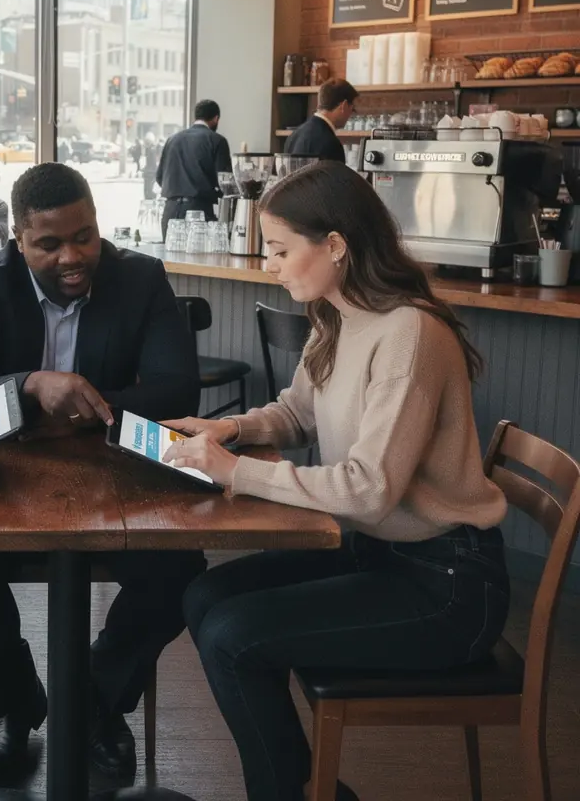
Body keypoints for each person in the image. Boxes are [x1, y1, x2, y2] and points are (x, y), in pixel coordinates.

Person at [160, 162, 509, 801]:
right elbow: (297, 412)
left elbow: (370, 487)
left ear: (336, 246)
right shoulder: (339, 314)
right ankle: (301, 788)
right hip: (379, 550)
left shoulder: (408, 334)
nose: (271, 264)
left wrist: (237, 475)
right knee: (204, 599)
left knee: (233, 636)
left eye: (281, 250)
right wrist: (224, 432)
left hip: (447, 586)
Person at [0, 163, 206, 786]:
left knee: (178, 571)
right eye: (49, 244)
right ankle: (16, 707)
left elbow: (177, 386)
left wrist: (79, 410)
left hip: (119, 482)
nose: (73, 256)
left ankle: (95, 702)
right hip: (5, 486)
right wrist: (30, 387)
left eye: (85, 236)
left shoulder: (140, 277)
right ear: (18, 241)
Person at [156, 99, 232, 236]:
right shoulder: (217, 140)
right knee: (198, 256)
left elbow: (159, 177)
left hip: (170, 212)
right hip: (198, 212)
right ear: (216, 118)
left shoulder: (172, 139)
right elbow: (225, 182)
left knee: (170, 256)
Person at [284, 77, 358, 163]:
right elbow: (335, 176)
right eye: (352, 109)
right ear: (344, 106)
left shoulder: (293, 136)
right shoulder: (331, 144)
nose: (350, 115)